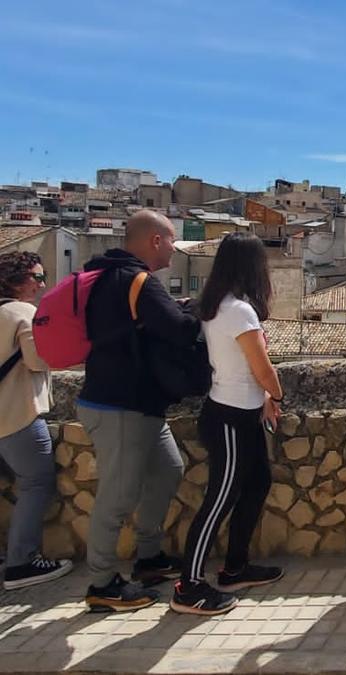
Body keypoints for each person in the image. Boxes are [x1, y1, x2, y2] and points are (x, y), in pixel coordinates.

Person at [78, 210, 199, 612]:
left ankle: (148, 558)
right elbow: (180, 331)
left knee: (168, 469)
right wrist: (197, 310)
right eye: (171, 241)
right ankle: (103, 583)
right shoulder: (138, 281)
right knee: (117, 496)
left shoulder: (109, 275)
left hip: (136, 403)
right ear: (156, 241)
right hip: (121, 405)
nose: (174, 250)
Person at [169, 233, 284, 615]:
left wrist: (264, 398)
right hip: (231, 418)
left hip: (240, 412)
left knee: (257, 484)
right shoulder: (238, 311)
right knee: (219, 499)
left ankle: (235, 567)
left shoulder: (219, 306)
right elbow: (261, 367)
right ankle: (189, 587)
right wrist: (276, 394)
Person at [0, 252, 73, 590]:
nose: (43, 284)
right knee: (35, 483)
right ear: (17, 280)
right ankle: (22, 561)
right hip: (17, 413)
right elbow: (37, 360)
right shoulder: (23, 313)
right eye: (38, 277)